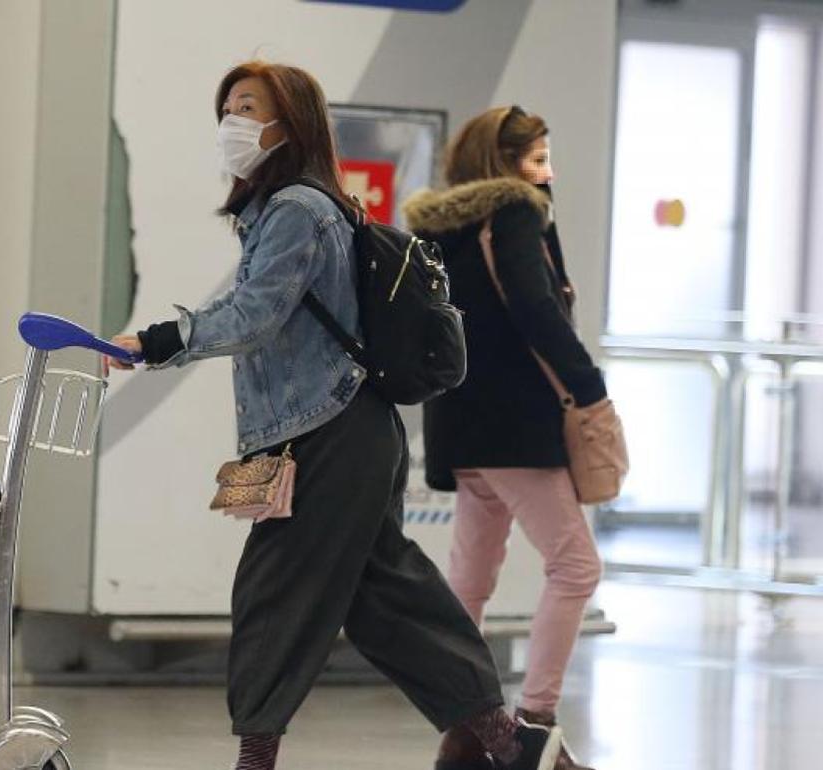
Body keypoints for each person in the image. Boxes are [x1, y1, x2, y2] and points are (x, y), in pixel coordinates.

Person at [106, 63, 566, 770]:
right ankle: (514, 749)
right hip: (334, 430)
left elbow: (255, 315)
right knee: (387, 600)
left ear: (290, 122)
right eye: (226, 108)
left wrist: (159, 341)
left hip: (328, 434)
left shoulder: (298, 209)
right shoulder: (287, 208)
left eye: (249, 107)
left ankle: (255, 760)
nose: (232, 123)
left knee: (273, 594)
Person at [402, 105, 605, 770]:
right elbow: (536, 309)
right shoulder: (515, 214)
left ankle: (466, 729)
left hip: (460, 426)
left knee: (471, 579)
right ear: (506, 164)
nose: (547, 172)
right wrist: (589, 384)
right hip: (516, 425)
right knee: (576, 566)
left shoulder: (441, 228)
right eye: (537, 158)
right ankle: (534, 729)